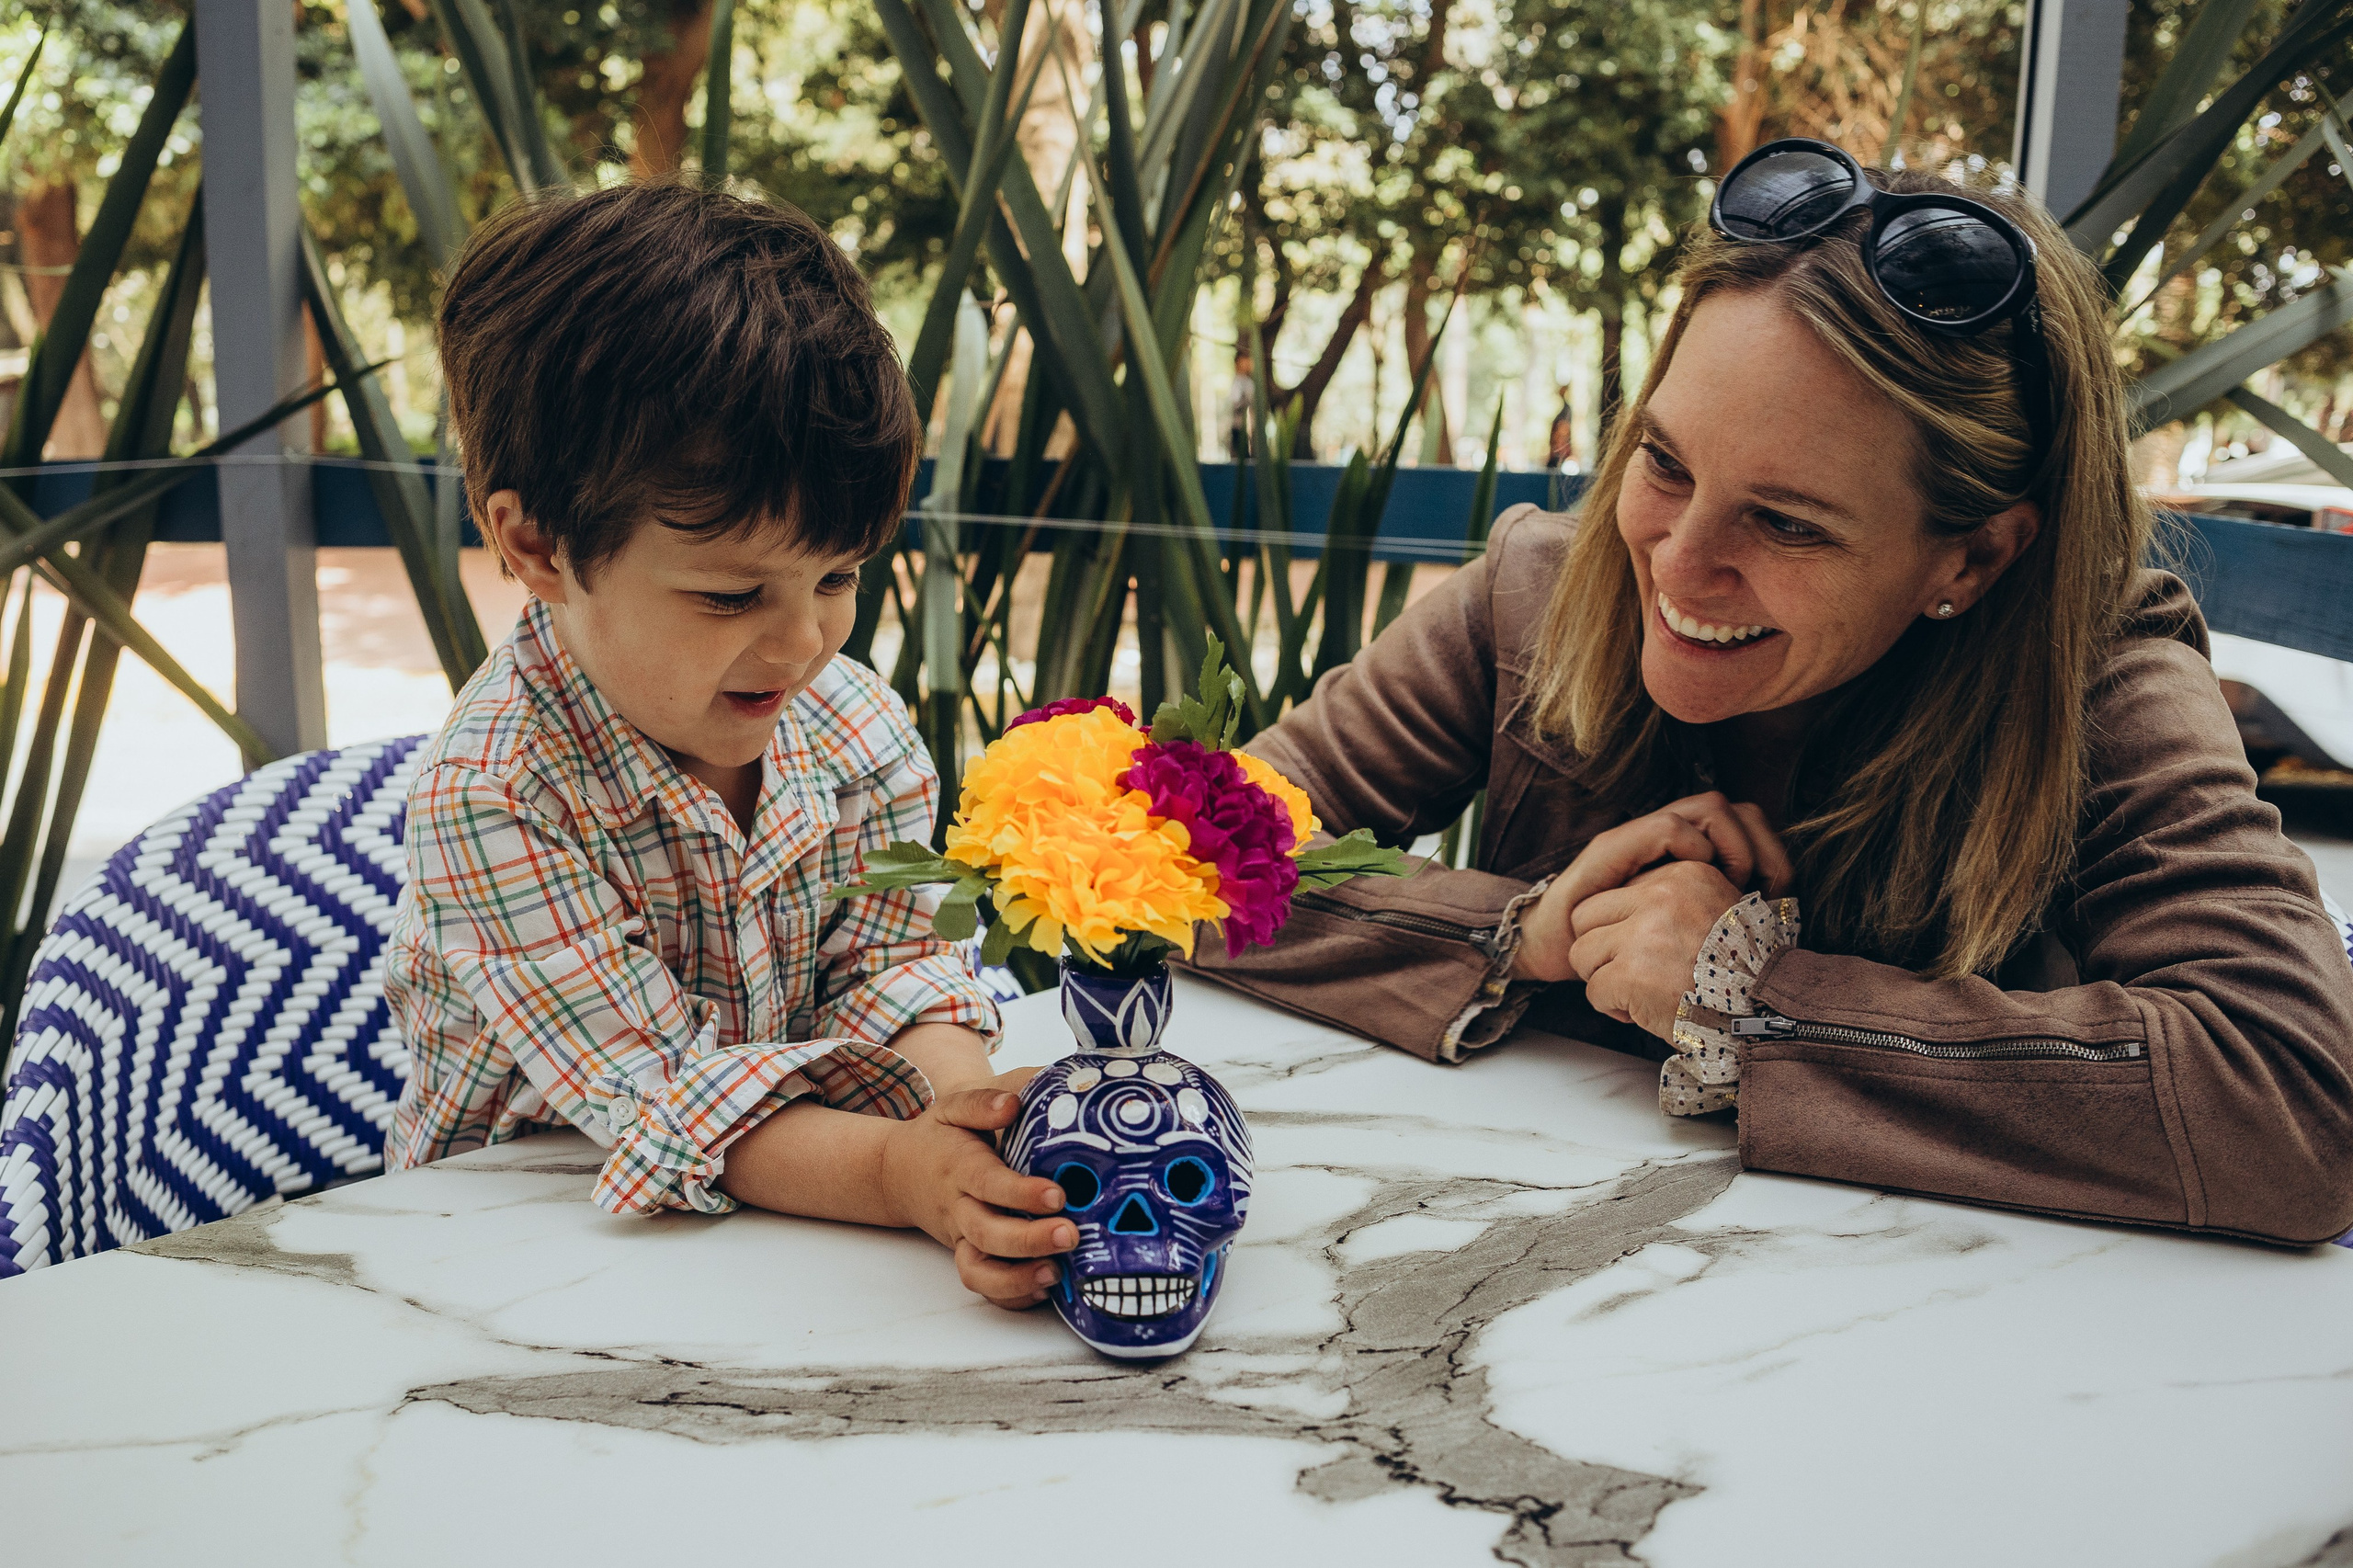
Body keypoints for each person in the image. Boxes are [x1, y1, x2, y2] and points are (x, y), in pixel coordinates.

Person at [1186, 141, 2353, 1245]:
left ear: (1973, 557)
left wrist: (1751, 1004)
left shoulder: (2098, 675)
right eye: (1663, 462)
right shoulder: (1532, 588)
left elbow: (2290, 1099)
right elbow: (1155, 844)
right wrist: (1517, 936)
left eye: (1787, 521)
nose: (1677, 563)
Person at [383, 182, 1076, 1309]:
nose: (803, 643)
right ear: (539, 545)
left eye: (838, 575)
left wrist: (965, 1115)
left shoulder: (855, 727)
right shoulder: (496, 793)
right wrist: (901, 1172)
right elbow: (662, 1093)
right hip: (516, 1265)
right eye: (728, 595)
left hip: (791, 1245)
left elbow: (894, 970)